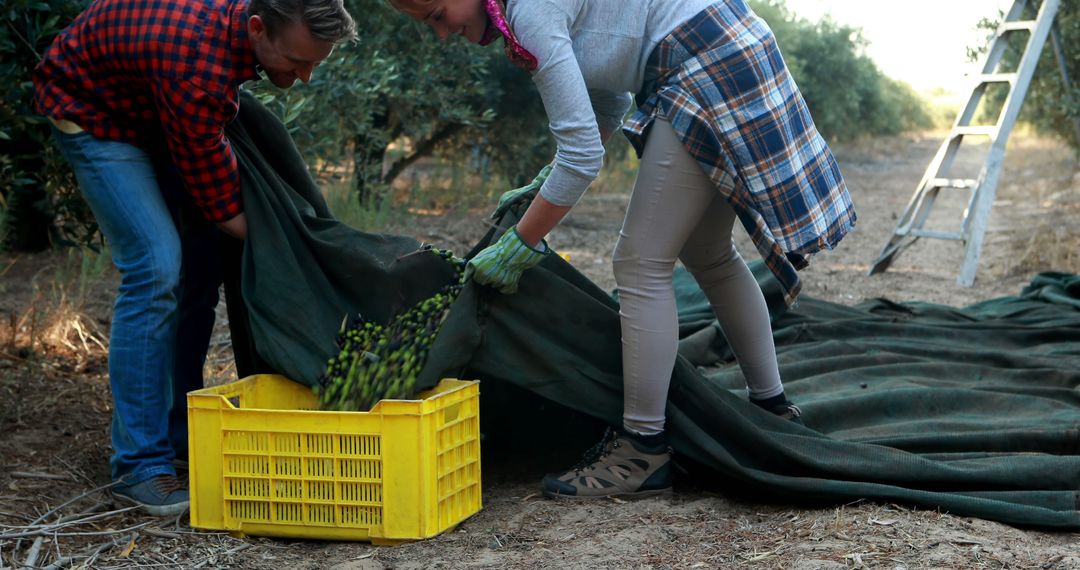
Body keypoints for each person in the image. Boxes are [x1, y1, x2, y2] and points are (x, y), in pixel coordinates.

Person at [391, 0, 856, 499]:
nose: (442, 33)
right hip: (730, 45)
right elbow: (610, 101)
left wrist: (519, 244)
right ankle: (773, 409)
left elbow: (583, 156)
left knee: (639, 265)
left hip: (705, 64)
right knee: (710, 253)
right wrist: (548, 181)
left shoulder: (530, 13)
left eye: (438, 13)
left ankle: (643, 448)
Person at [33, 0, 356, 515]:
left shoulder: (230, 43)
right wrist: (291, 251)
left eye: (314, 63)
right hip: (92, 111)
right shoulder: (196, 69)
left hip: (149, 106)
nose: (305, 77)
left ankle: (179, 433)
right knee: (157, 267)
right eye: (297, 62)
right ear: (257, 28)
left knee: (200, 268)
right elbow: (225, 210)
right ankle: (140, 464)